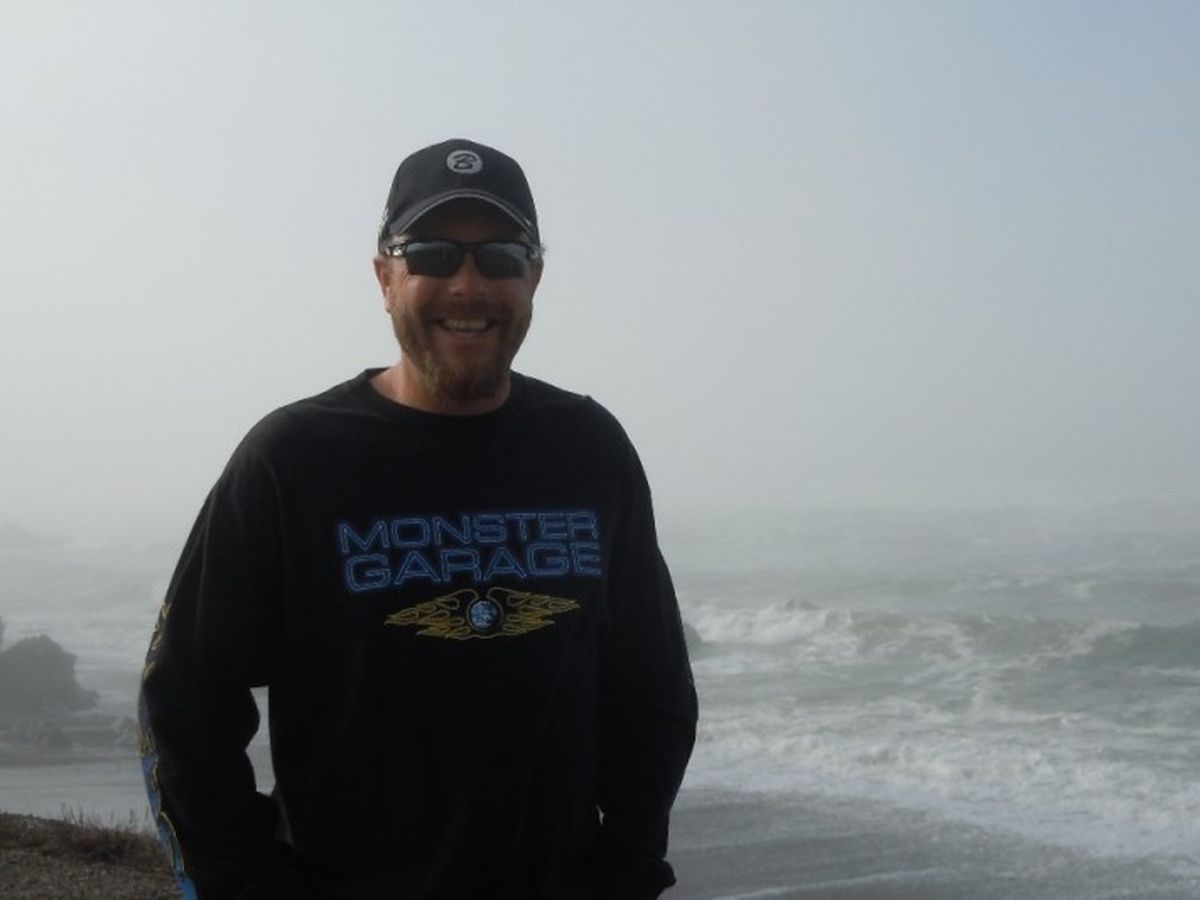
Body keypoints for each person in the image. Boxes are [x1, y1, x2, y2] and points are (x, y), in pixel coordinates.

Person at [138, 138, 698, 900]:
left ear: (534, 277)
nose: (468, 284)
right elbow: (183, 703)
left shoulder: (590, 453)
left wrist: (626, 867)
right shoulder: (291, 463)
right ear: (385, 276)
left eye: (500, 257)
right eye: (432, 254)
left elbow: (655, 692)